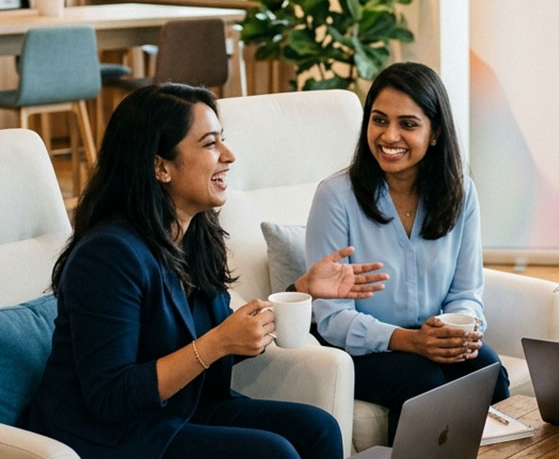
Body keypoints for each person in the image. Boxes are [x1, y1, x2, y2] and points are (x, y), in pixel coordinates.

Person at [27, 83, 385, 459]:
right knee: (272, 453)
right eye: (210, 143)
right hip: (110, 436)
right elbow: (111, 396)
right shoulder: (107, 256)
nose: (229, 156)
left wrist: (299, 293)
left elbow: (224, 335)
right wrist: (218, 343)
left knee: (318, 428)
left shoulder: (196, 233)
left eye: (223, 140)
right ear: (159, 166)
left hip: (179, 410)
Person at [305, 61, 510, 440]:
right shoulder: (335, 197)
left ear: (434, 134)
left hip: (428, 336)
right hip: (357, 350)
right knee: (422, 380)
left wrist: (460, 330)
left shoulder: (460, 193)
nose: (389, 135)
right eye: (379, 120)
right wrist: (409, 340)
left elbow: (466, 293)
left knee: (487, 369)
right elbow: (331, 318)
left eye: (408, 124)